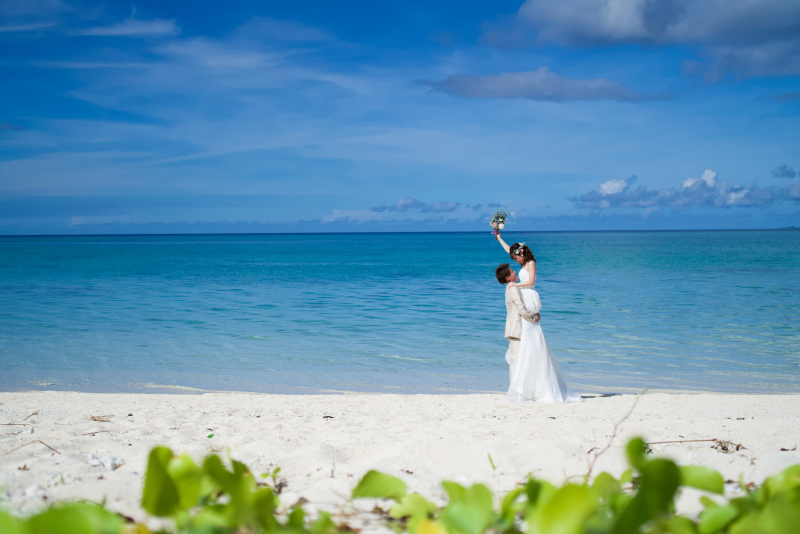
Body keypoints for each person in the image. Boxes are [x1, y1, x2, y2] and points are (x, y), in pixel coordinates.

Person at [495, 233, 583, 403]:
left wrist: (515, 284)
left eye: (516, 258)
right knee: (526, 343)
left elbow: (532, 281)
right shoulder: (521, 262)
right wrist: (498, 237)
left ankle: (533, 386)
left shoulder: (531, 263)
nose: (515, 261)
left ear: (521, 254)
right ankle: (525, 386)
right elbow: (509, 250)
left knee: (532, 341)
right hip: (523, 297)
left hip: (528, 293)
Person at [495, 263, 540, 382]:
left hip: (518, 327)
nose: (515, 272)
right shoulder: (513, 288)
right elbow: (520, 308)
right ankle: (514, 389)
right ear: (508, 278)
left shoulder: (513, 287)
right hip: (515, 328)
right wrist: (533, 318)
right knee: (515, 359)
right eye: (512, 271)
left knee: (520, 359)